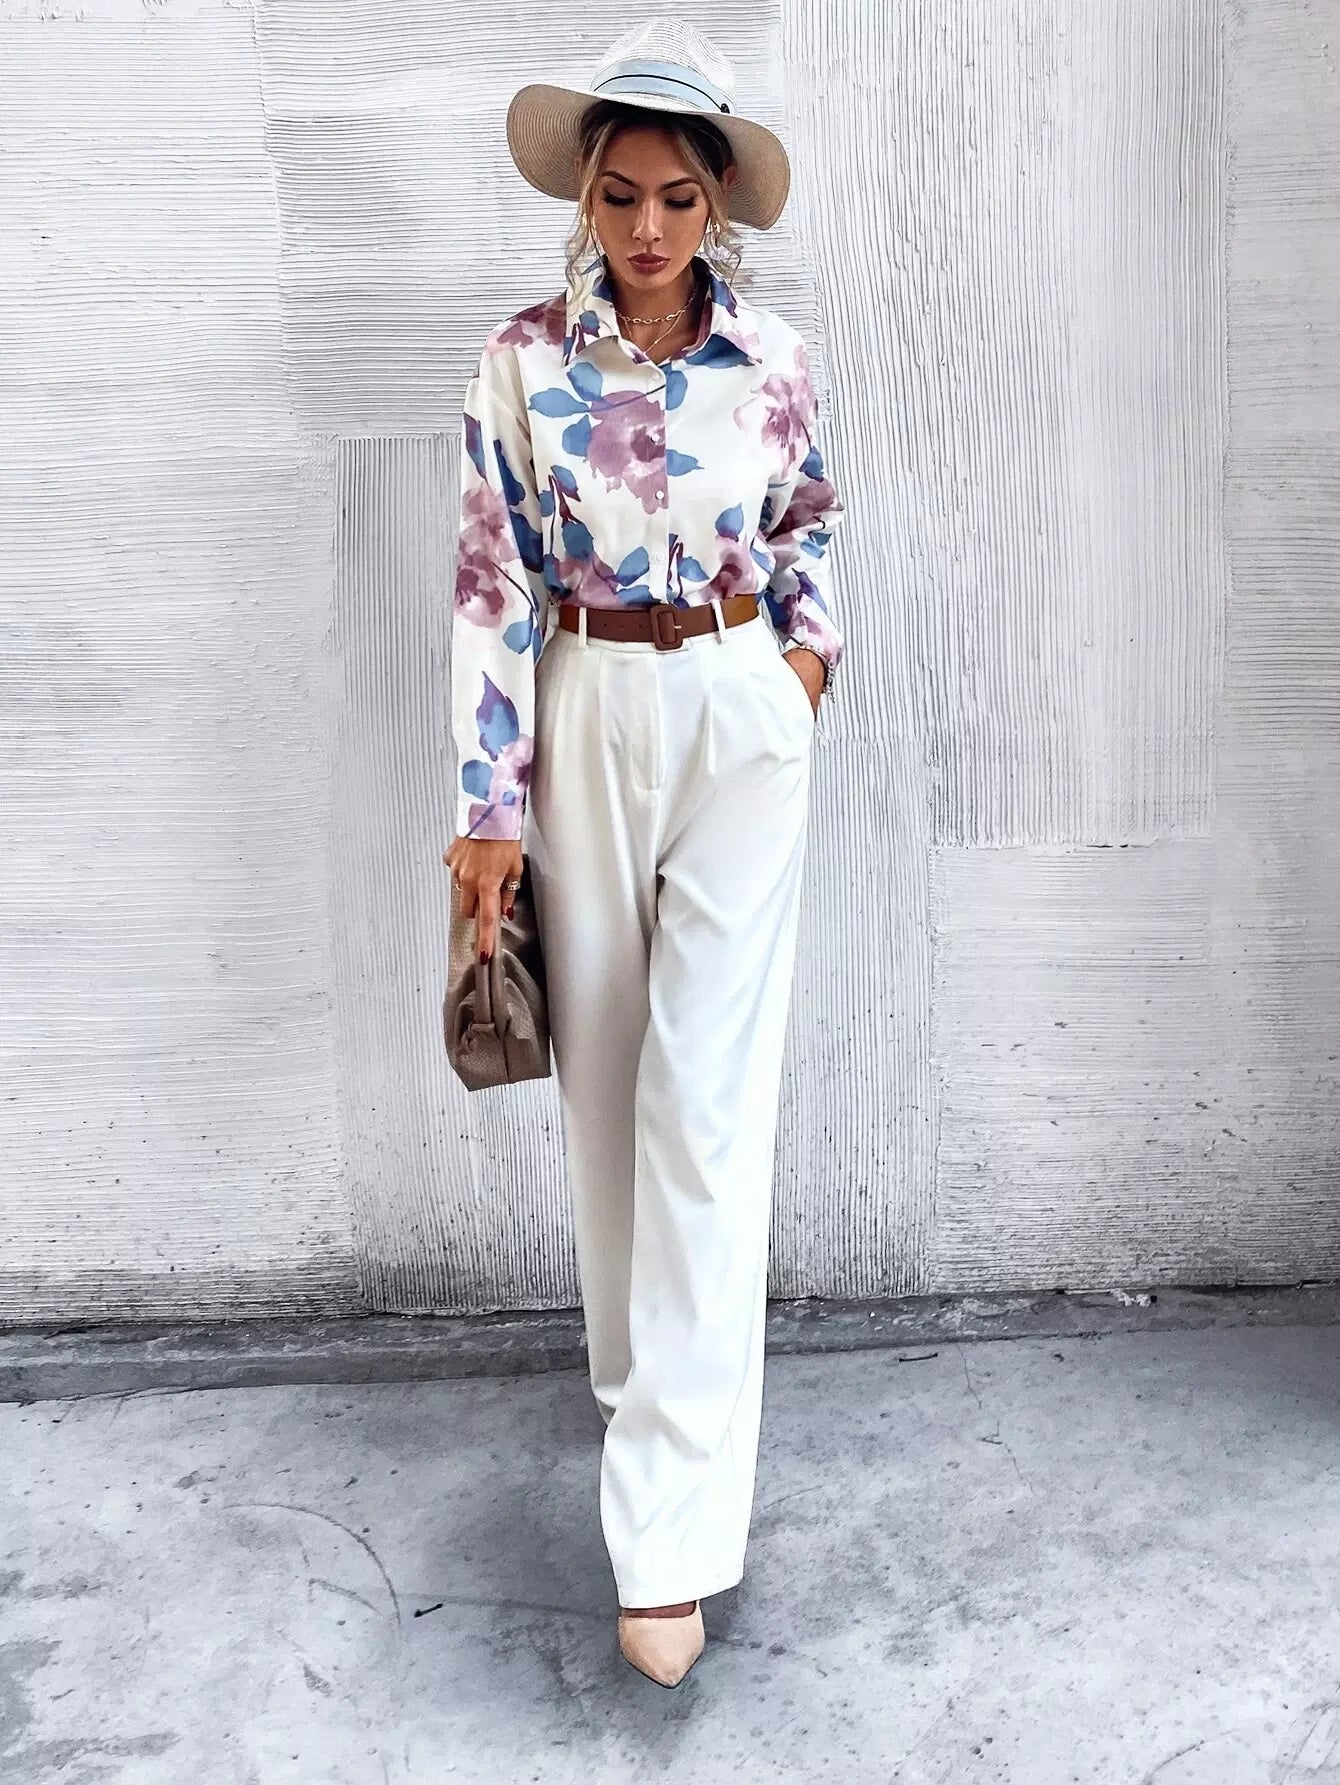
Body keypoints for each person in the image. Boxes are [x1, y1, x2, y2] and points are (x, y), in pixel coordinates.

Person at [442, 17, 846, 1688]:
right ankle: (638, 1383)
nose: (651, 226)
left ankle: (669, 1532)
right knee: (606, 1091)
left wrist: (800, 674)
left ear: (719, 203)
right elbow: (491, 585)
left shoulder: (777, 360)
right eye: (623, 195)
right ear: (588, 197)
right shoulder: (521, 365)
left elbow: (812, 524)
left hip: (741, 714)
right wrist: (486, 808)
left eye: (681, 197)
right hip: (585, 700)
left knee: (702, 1108)